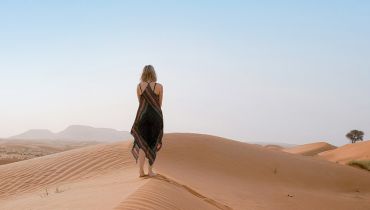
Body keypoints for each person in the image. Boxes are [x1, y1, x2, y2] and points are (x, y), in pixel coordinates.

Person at [130, 65, 164, 177]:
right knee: (152, 143)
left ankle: (140, 171)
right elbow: (159, 104)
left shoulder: (139, 86)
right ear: (154, 73)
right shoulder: (159, 86)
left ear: (143, 74)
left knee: (142, 144)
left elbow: (140, 103)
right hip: (155, 118)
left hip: (142, 117)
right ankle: (150, 171)